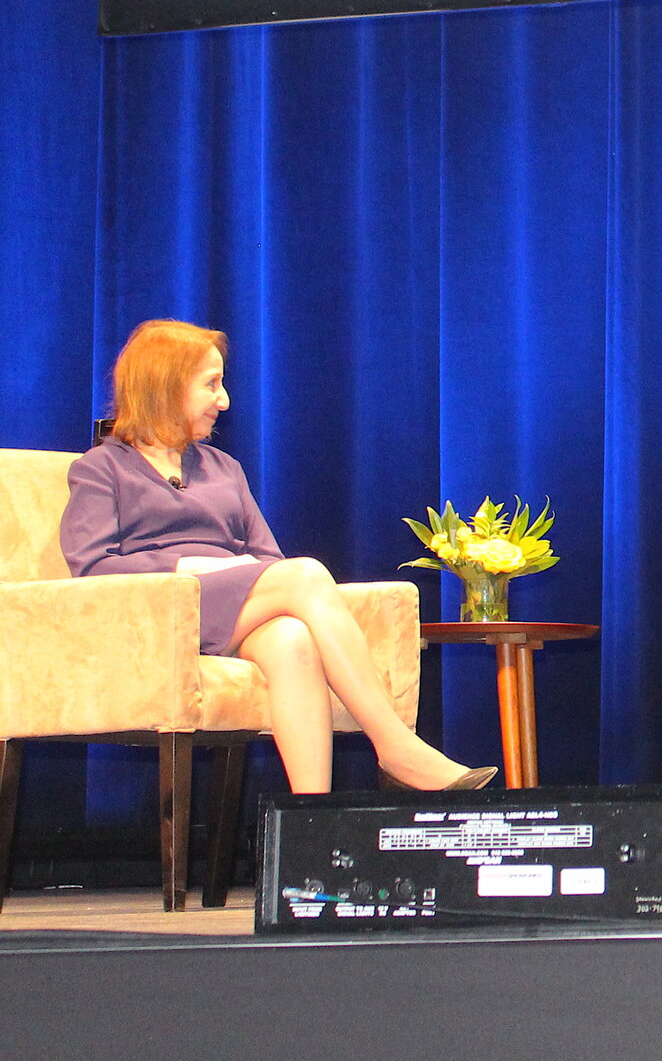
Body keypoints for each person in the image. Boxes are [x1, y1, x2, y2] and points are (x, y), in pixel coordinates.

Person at [60, 320, 494, 794]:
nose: (223, 400)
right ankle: (395, 746)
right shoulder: (101, 469)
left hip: (228, 609)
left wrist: (236, 572)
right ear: (165, 387)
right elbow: (91, 565)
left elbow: (266, 557)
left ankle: (313, 818)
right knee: (306, 575)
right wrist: (190, 567)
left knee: (293, 639)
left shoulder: (224, 468)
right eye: (210, 384)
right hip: (160, 613)